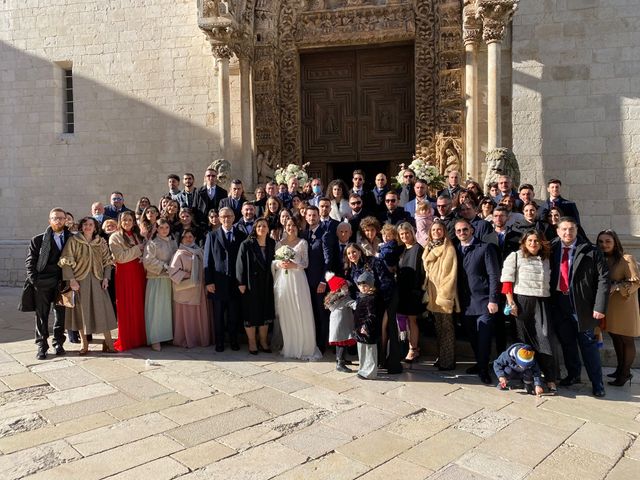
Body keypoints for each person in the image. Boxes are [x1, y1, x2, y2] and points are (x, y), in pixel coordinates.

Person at [550, 217, 609, 397]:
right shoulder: (551, 248)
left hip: (583, 305)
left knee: (588, 345)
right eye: (564, 229)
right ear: (558, 231)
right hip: (559, 303)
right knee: (567, 343)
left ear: (577, 230)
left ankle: (597, 383)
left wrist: (599, 307)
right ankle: (573, 375)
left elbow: (604, 279)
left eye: (571, 229)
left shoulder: (591, 250)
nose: (568, 233)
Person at [500, 230, 557, 393]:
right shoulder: (515, 256)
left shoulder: (546, 258)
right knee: (522, 340)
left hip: (542, 301)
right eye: (530, 240)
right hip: (522, 301)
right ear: (524, 242)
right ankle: (524, 377)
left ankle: (550, 377)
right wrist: (511, 303)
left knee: (544, 338)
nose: (533, 244)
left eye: (536, 241)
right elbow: (507, 282)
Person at [59, 216, 117, 354]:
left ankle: (109, 343)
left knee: (102, 311)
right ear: (81, 227)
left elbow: (107, 262)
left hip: (98, 280)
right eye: (85, 224)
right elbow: (65, 261)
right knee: (82, 313)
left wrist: (106, 278)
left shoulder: (101, 241)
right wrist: (71, 280)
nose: (87, 227)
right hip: (80, 281)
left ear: (95, 227)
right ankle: (84, 344)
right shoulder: (74, 240)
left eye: (91, 224)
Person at [455, 218, 501, 384]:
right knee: (473, 338)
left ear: (472, 230)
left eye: (465, 230)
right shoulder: (455, 249)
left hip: (484, 302)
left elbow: (494, 275)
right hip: (465, 303)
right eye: (459, 231)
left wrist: (493, 299)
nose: (462, 233)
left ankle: (483, 370)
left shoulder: (485, 248)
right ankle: (480, 363)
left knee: (484, 337)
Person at [25, 208, 73, 359]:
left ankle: (58, 342)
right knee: (41, 315)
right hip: (43, 283)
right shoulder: (38, 240)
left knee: (60, 315)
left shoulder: (73, 238)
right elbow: (30, 263)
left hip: (63, 282)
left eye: (61, 218)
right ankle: (41, 345)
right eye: (54, 218)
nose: (58, 220)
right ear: (49, 221)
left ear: (66, 220)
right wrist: (35, 281)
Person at [273, 217, 322, 360]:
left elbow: (305, 263)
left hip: (298, 280)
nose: (291, 228)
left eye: (294, 225)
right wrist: (280, 264)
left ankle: (304, 346)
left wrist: (293, 265)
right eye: (288, 225)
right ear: (285, 226)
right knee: (286, 312)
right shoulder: (279, 243)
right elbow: (274, 261)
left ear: (297, 227)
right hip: (283, 281)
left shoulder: (302, 243)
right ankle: (290, 346)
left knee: (301, 311)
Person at [596, 229, 639, 387]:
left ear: (615, 242)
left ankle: (626, 373)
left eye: (608, 241)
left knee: (626, 339)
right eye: (601, 242)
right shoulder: (601, 259)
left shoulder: (626, 259)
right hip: (610, 307)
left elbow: (635, 282)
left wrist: (618, 286)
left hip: (624, 305)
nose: (604, 245)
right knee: (615, 337)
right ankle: (620, 369)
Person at [204, 206, 247, 352]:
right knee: (218, 316)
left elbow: (244, 260)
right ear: (219, 219)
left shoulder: (241, 235)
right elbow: (207, 260)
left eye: (229, 216)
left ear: (234, 218)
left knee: (234, 315)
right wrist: (209, 281)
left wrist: (242, 281)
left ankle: (234, 341)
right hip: (218, 282)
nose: (226, 219)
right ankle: (220, 342)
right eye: (223, 217)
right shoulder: (212, 235)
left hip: (235, 282)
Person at [422, 219, 459, 371]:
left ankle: (448, 362)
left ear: (444, 231)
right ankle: (441, 357)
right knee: (439, 329)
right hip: (432, 293)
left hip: (443, 295)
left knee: (447, 330)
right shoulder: (428, 248)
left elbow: (451, 275)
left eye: (439, 230)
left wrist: (444, 296)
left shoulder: (448, 248)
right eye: (433, 230)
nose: (436, 232)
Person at [236, 218, 276, 354]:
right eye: (259, 226)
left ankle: (263, 341)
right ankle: (252, 342)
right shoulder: (247, 244)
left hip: (267, 283)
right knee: (251, 313)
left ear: (268, 228)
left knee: (265, 313)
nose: (262, 228)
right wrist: (240, 283)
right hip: (250, 284)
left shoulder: (272, 243)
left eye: (264, 226)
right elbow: (240, 264)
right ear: (255, 228)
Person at [109, 211, 147, 351]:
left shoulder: (137, 235)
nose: (127, 222)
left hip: (138, 273)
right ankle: (128, 339)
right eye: (124, 220)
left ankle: (141, 337)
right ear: (120, 221)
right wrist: (138, 249)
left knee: (139, 304)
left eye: (130, 219)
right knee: (127, 305)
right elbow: (120, 257)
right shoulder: (115, 237)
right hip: (125, 274)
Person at [169, 230, 211, 348]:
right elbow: (173, 272)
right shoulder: (179, 253)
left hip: (199, 290)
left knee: (199, 315)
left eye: (191, 236)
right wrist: (189, 275)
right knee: (187, 316)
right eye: (185, 237)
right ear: (181, 239)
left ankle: (200, 339)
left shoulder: (200, 251)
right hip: (186, 290)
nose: (188, 239)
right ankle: (186, 339)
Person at [304, 206, 337, 351]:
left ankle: (322, 345)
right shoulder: (304, 234)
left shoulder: (325, 234)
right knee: (310, 313)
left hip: (319, 282)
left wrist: (324, 280)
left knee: (321, 313)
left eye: (314, 215)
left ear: (319, 216)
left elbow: (328, 260)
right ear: (306, 217)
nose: (312, 218)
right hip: (305, 281)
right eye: (309, 215)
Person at [142, 219, 177, 352]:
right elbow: (148, 261)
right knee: (156, 310)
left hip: (170, 279)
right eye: (161, 227)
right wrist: (164, 266)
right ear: (156, 229)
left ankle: (167, 336)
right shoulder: (152, 243)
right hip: (156, 278)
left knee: (167, 309)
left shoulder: (173, 242)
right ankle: (155, 339)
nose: (164, 230)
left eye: (166, 227)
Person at [396, 223, 426, 363]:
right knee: (405, 320)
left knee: (412, 320)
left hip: (413, 291)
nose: (404, 236)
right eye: (402, 234)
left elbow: (420, 272)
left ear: (412, 232)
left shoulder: (418, 249)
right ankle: (410, 346)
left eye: (407, 233)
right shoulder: (402, 249)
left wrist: (417, 291)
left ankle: (413, 349)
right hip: (401, 290)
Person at [324, 272, 357, 372]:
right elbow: (354, 304)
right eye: (344, 286)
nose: (347, 288)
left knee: (341, 342)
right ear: (339, 289)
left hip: (338, 323)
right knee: (342, 343)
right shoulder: (344, 297)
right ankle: (340, 363)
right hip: (342, 323)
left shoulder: (333, 298)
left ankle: (341, 360)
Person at [352, 271, 380, 379]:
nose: (362, 288)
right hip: (360, 330)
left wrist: (366, 326)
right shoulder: (362, 297)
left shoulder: (371, 299)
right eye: (360, 285)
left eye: (365, 285)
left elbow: (372, 315)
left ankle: (371, 372)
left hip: (367, 330)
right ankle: (363, 369)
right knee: (362, 351)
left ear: (371, 286)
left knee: (370, 351)